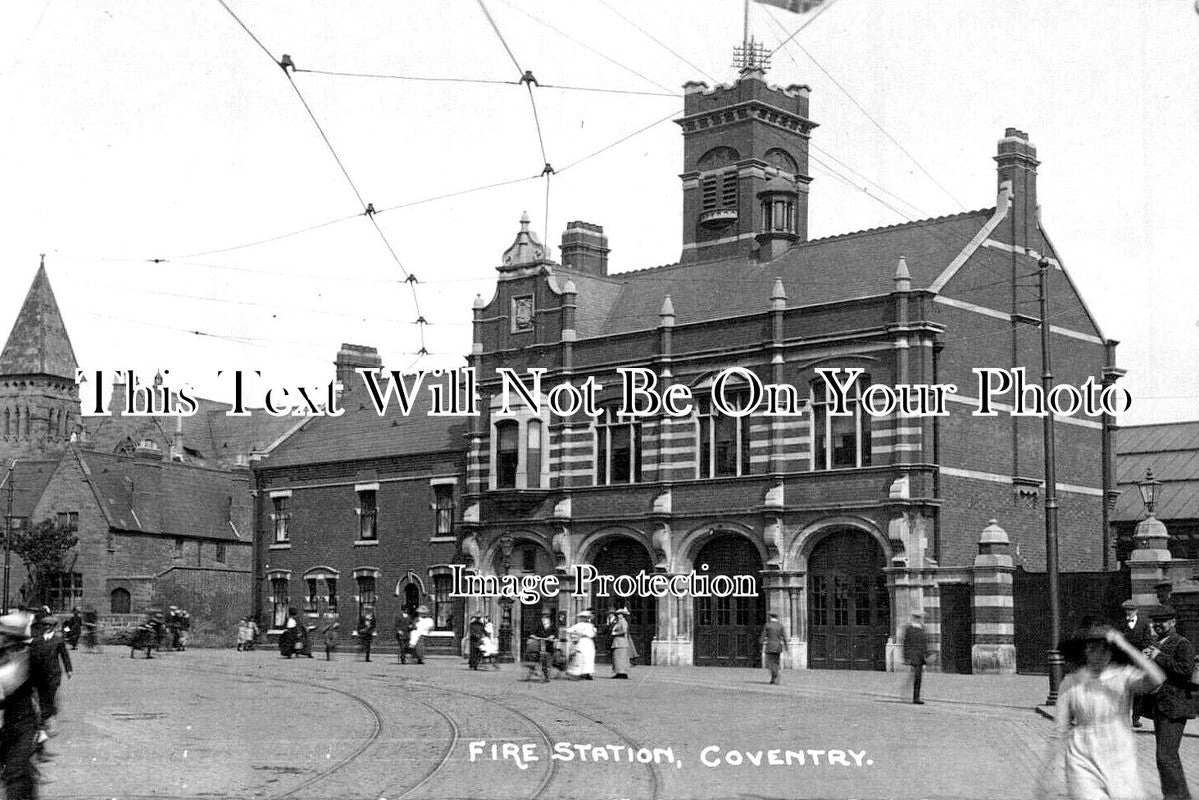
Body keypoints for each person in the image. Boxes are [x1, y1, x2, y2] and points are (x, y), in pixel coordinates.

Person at [1034, 622, 1165, 800]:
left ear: (1112, 652)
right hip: (1082, 756)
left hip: (1120, 755)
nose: (1100, 653)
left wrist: (1125, 645)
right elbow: (1060, 729)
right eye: (1093, 648)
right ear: (1085, 651)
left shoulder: (1124, 676)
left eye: (1105, 649)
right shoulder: (1071, 682)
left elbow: (1157, 679)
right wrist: (1045, 772)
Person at [0, 610, 52, 800]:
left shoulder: (30, 658)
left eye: (5, 637)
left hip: (24, 723)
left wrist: (46, 719)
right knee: (13, 770)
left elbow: (45, 687)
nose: (2, 640)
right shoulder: (3, 657)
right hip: (5, 724)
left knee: (14, 771)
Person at [1145, 605, 1196, 800]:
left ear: (1173, 622)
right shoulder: (1158, 643)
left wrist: (1158, 656)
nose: (1158, 624)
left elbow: (1185, 670)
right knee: (1166, 756)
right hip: (1161, 705)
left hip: (1175, 706)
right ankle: (1178, 796)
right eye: (1155, 621)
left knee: (1166, 756)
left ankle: (1176, 797)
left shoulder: (1182, 643)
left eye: (1162, 621)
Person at [1121, 599, 1154, 728]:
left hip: (1138, 662)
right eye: (1127, 610)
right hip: (1124, 662)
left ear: (1137, 611)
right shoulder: (1120, 624)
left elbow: (1148, 641)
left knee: (1138, 692)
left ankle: (1135, 718)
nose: (1129, 612)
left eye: (1132, 610)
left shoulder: (1144, 623)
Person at [901, 611, 929, 704]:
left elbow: (925, 644)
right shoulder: (909, 628)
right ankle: (915, 698)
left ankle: (912, 696)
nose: (920, 620)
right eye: (919, 618)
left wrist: (927, 655)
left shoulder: (922, 629)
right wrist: (906, 657)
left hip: (920, 656)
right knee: (917, 676)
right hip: (913, 655)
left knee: (917, 677)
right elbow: (906, 643)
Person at [565, 610, 596, 680]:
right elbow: (569, 630)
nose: (584, 619)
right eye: (583, 617)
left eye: (585, 617)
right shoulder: (584, 625)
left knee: (586, 658)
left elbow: (569, 630)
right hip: (585, 642)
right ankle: (583, 673)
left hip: (586, 642)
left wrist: (574, 633)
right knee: (584, 658)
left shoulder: (586, 625)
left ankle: (585, 673)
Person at [528, 611, 558, 682]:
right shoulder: (537, 623)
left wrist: (552, 636)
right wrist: (533, 636)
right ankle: (539, 672)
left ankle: (547, 675)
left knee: (548, 659)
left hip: (549, 644)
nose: (546, 617)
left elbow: (555, 631)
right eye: (544, 615)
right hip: (540, 643)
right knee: (539, 657)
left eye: (547, 615)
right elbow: (532, 631)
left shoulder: (552, 623)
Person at [761, 612, 787, 685]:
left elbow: (763, 635)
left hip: (770, 645)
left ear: (770, 617)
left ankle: (774, 675)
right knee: (776, 661)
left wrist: (761, 644)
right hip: (778, 646)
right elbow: (784, 637)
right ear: (777, 617)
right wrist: (786, 646)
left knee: (770, 662)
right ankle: (775, 674)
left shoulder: (768, 625)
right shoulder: (780, 626)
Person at [609, 607, 633, 679]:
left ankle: (622, 673)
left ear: (623, 615)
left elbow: (624, 631)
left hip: (621, 642)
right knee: (617, 658)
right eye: (618, 614)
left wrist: (615, 633)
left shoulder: (623, 622)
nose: (618, 615)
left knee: (621, 658)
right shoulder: (619, 622)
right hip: (618, 642)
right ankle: (618, 672)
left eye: (620, 614)